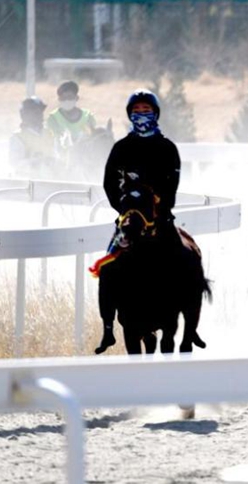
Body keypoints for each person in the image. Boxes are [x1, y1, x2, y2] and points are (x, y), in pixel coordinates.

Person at [94, 89, 181, 349]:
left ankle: (189, 317)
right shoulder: (121, 148)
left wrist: (158, 207)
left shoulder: (167, 148)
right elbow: (109, 182)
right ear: (130, 115)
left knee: (185, 263)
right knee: (107, 267)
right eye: (137, 111)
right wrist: (123, 207)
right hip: (129, 220)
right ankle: (108, 326)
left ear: (155, 113)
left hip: (160, 220)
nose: (141, 115)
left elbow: (172, 186)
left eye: (146, 111)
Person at [46, 80, 97, 166]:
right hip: (61, 162)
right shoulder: (53, 118)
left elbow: (91, 138)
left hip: (85, 161)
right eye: (63, 98)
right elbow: (55, 140)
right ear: (59, 99)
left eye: (70, 97)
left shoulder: (88, 117)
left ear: (76, 98)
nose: (67, 101)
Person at [9, 96, 60, 178]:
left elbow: (56, 155)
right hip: (26, 181)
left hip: (49, 179)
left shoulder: (49, 133)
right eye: (34, 112)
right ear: (24, 115)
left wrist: (54, 162)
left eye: (40, 111)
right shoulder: (18, 137)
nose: (39, 114)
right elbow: (15, 163)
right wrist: (36, 162)